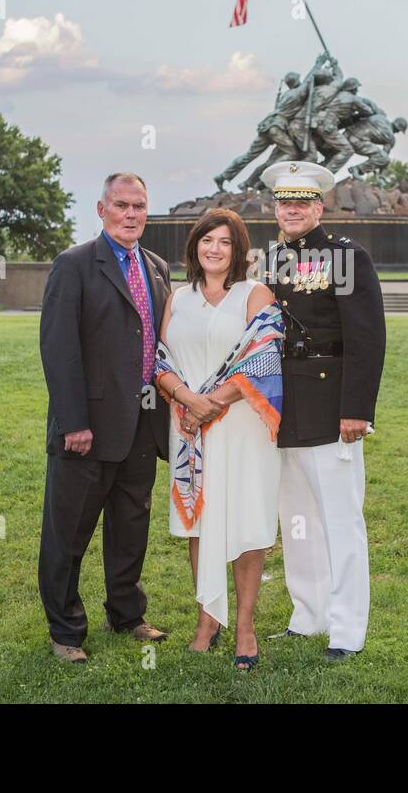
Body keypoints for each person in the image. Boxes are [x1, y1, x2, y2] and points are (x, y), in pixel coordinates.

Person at [37, 172, 172, 663]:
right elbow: (59, 349)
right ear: (101, 209)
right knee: (69, 531)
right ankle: (66, 631)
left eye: (139, 206)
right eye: (121, 205)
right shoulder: (73, 265)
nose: (131, 214)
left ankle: (127, 613)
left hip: (143, 422)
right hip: (87, 429)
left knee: (130, 526)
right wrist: (74, 421)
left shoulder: (156, 266)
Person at [261, 161, 386, 660]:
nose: (292, 209)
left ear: (320, 206)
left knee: (339, 519)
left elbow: (367, 338)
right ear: (275, 208)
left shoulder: (346, 257)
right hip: (284, 405)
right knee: (297, 520)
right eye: (284, 202)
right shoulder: (269, 260)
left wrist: (356, 409)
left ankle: (347, 629)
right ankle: (306, 615)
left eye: (302, 201)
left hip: (332, 404)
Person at [153, 208, 283, 670]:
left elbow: (264, 359)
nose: (214, 248)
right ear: (195, 246)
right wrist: (186, 400)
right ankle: (208, 618)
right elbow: (159, 358)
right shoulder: (178, 298)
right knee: (200, 523)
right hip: (188, 426)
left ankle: (244, 626)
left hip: (241, 425)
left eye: (225, 242)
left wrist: (214, 402)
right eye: (207, 240)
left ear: (238, 250)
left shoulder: (255, 294)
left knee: (247, 519)